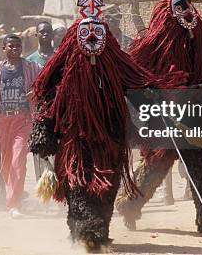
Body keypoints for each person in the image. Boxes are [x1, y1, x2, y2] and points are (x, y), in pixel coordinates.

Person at [29, 18, 187, 251]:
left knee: (106, 187)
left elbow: (138, 83)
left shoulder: (117, 65)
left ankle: (96, 230)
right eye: (86, 32)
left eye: (97, 32)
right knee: (78, 184)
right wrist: (43, 134)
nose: (92, 37)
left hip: (110, 139)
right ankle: (85, 231)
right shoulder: (62, 68)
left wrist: (153, 96)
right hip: (76, 139)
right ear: (75, 36)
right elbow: (48, 101)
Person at [115, 0, 202, 237]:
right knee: (157, 162)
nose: (185, 10)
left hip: (195, 110)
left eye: (186, 5)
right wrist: (152, 93)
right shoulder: (153, 43)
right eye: (178, 7)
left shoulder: (198, 37)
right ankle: (129, 204)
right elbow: (135, 74)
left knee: (201, 162)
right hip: (166, 113)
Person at [0, 34, 41, 218]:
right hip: (3, 120)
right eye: (11, 46)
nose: (15, 49)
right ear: (4, 48)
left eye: (18, 46)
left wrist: (35, 90)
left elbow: (48, 78)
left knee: (18, 160)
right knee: (5, 164)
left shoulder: (30, 67)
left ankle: (14, 204)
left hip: (23, 119)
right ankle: (13, 198)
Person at [25, 22, 55, 182]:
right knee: (39, 151)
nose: (45, 34)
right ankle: (42, 192)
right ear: (37, 35)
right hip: (37, 113)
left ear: (52, 34)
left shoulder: (59, 56)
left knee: (58, 154)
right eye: (42, 32)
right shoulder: (29, 61)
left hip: (58, 112)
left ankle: (60, 195)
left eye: (48, 32)